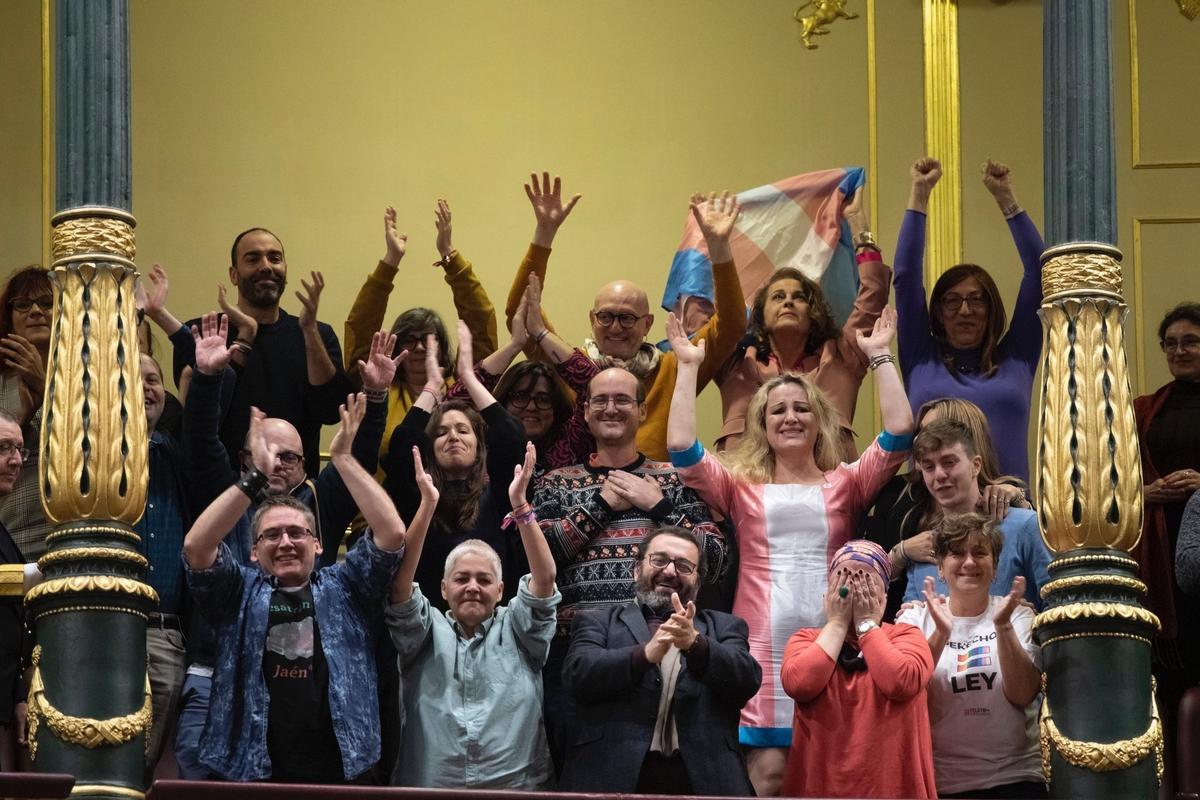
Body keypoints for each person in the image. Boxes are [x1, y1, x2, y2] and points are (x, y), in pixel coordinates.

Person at [666, 308, 914, 796]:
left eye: (801, 408)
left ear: (819, 420)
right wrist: (688, 366)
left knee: (834, 777)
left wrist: (881, 355)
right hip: (763, 650)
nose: (790, 417)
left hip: (835, 642)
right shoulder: (739, 487)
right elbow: (680, 446)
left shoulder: (847, 482)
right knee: (770, 776)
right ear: (762, 424)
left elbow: (901, 431)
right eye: (777, 410)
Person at [182, 396, 406, 783]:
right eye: (271, 535)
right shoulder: (238, 590)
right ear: (253, 551)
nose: (285, 542)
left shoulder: (346, 586)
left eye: (297, 532)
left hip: (341, 767)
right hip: (253, 769)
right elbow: (196, 548)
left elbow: (392, 533)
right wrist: (253, 478)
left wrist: (345, 461)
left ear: (318, 544)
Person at [534, 365, 727, 771]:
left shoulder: (673, 481)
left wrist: (658, 505)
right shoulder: (554, 483)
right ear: (584, 412)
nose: (611, 408)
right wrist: (602, 505)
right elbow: (540, 560)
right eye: (600, 400)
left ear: (641, 411)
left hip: (667, 648)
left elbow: (715, 558)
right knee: (579, 777)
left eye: (623, 400)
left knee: (658, 776)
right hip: (578, 653)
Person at [505, 173, 747, 460]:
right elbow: (520, 315)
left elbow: (731, 325)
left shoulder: (674, 369)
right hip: (581, 495)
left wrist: (719, 249)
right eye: (606, 317)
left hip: (656, 495)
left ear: (647, 324)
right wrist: (543, 236)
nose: (616, 327)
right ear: (592, 320)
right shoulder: (570, 366)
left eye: (627, 318)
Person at [386, 441, 560, 788]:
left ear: (500, 590)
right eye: (461, 579)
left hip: (515, 785)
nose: (472, 587)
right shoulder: (426, 631)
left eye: (484, 579)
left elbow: (545, 579)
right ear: (443, 588)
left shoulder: (518, 628)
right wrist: (428, 505)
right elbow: (400, 583)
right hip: (431, 783)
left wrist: (521, 507)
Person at [559, 525, 760, 796]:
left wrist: (697, 645)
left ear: (698, 582)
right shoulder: (597, 621)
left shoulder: (725, 626)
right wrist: (643, 655)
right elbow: (577, 675)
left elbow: (746, 681)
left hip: (706, 781)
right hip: (608, 778)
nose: (670, 571)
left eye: (684, 566)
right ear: (636, 569)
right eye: (659, 560)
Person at [895, 158, 1044, 481]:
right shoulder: (921, 357)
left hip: (1010, 514)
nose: (965, 311)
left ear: (992, 310)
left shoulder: (1017, 356)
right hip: (932, 516)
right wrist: (919, 194)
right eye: (952, 301)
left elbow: (1040, 273)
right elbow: (905, 278)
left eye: (977, 300)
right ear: (937, 311)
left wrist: (1007, 199)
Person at [716, 188, 890, 460]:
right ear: (760, 316)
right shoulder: (735, 367)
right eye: (778, 297)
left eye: (798, 297)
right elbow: (707, 321)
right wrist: (714, 243)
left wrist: (858, 224)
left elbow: (873, 296)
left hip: (830, 495)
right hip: (745, 495)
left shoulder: (843, 359)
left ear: (813, 313)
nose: (788, 302)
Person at [171, 230, 351, 477]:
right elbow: (201, 421)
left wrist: (308, 331)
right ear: (234, 275)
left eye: (274, 258)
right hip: (219, 488)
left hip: (295, 494)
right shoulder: (203, 334)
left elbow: (330, 412)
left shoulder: (318, 334)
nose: (266, 266)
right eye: (253, 259)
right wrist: (246, 335)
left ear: (285, 269)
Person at [381, 322, 527, 609]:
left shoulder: (499, 494)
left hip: (494, 624)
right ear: (430, 448)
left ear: (479, 444)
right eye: (442, 432)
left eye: (463, 430)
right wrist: (433, 387)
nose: (453, 437)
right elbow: (401, 447)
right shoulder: (419, 497)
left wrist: (469, 379)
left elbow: (511, 436)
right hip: (430, 623)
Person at [898, 513, 1045, 799]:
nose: (969, 562)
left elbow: (1023, 693)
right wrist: (941, 633)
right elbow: (907, 696)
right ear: (940, 567)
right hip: (943, 782)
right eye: (956, 553)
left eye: (979, 552)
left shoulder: (1018, 614)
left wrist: (1002, 627)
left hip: (1017, 777)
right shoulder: (914, 620)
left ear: (995, 565)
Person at [344, 201, 499, 470]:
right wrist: (390, 262)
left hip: (459, 506)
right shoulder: (377, 392)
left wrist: (450, 256)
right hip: (388, 507)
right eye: (409, 339)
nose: (417, 348)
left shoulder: (462, 389)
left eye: (427, 339)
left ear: (442, 346)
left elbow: (480, 321)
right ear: (395, 346)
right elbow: (360, 327)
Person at [780, 540, 936, 799]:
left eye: (865, 581)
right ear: (826, 596)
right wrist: (838, 624)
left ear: (884, 598)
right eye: (844, 578)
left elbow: (901, 681)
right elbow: (800, 684)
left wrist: (866, 624)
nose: (853, 589)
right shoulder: (805, 640)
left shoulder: (907, 636)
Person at [1132, 301, 1200, 784]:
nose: (1179, 350)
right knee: (1170, 681)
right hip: (1158, 552)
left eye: (1190, 341)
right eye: (1171, 343)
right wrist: (1149, 492)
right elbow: (1109, 485)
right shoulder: (1143, 409)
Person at [448, 276, 598, 471]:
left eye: (543, 399)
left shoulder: (571, 441)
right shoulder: (482, 442)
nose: (531, 407)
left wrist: (541, 332)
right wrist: (515, 344)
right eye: (520, 396)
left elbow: (595, 385)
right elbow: (453, 405)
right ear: (504, 402)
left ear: (556, 407)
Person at [899, 419, 1050, 608]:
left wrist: (1028, 621)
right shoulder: (924, 548)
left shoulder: (1024, 526)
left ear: (976, 465)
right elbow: (909, 629)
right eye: (929, 467)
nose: (939, 474)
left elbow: (1059, 603)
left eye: (949, 463)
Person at [134, 354, 193, 779]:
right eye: (133, 380)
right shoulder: (87, 455)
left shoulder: (176, 455)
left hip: (164, 633)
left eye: (153, 379)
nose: (146, 388)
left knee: (144, 771)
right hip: (109, 630)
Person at [0, 266, 52, 559]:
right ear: (9, 317)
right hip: (8, 537)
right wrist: (21, 417)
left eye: (46, 303)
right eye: (23, 304)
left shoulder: (85, 377)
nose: (35, 312)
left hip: (66, 538)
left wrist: (44, 386)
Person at [0, 410, 41, 771]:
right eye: (3, 448)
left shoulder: (6, 538)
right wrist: (37, 576)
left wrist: (17, 695)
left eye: (20, 450)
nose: (15, 460)